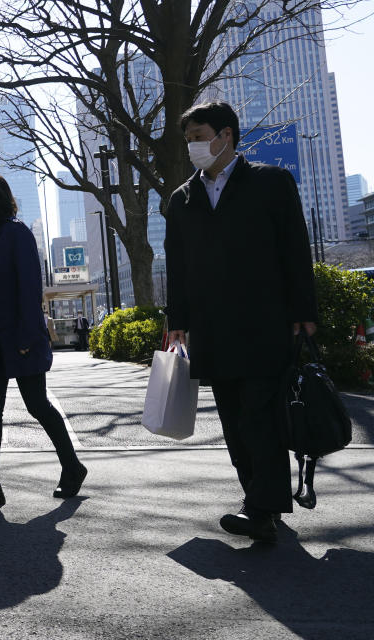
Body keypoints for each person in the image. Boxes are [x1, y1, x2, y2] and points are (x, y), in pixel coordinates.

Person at [165, 101, 317, 542]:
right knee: (233, 420)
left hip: (264, 322)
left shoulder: (271, 183)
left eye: (199, 136)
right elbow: (176, 265)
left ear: (226, 135)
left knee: (260, 416)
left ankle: (261, 508)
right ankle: (260, 500)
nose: (193, 146)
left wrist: (303, 314)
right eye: (189, 138)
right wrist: (178, 320)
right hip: (212, 330)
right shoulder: (182, 198)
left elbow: (295, 251)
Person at [0, 173, 87, 509]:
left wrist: (26, 337)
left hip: (20, 338)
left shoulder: (17, 233)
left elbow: (30, 290)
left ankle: (72, 466)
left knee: (37, 405)